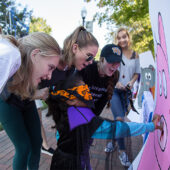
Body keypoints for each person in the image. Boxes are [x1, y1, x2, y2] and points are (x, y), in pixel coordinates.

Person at [46, 74, 162, 170]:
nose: (89, 94)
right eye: (83, 91)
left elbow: (59, 137)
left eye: (86, 88)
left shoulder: (65, 111)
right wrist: (150, 126)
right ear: (71, 100)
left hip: (59, 161)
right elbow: (119, 129)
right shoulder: (83, 119)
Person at [0, 32, 61, 170]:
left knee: (37, 141)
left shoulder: (24, 65)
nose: (49, 76)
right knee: (23, 147)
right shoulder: (10, 56)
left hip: (25, 101)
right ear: (35, 55)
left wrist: (35, 93)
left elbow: (23, 90)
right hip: (7, 102)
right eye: (50, 67)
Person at [104, 28, 141, 167]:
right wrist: (115, 82)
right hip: (114, 90)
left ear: (128, 37)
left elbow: (137, 73)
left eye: (124, 37)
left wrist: (131, 82)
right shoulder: (115, 53)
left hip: (127, 92)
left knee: (119, 119)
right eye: (119, 38)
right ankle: (122, 151)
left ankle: (112, 141)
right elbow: (109, 71)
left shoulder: (135, 55)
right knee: (119, 119)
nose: (121, 40)